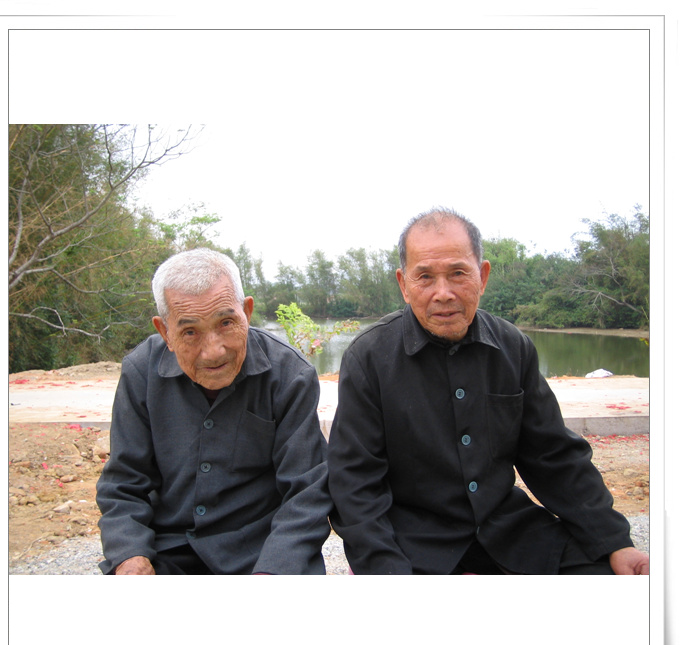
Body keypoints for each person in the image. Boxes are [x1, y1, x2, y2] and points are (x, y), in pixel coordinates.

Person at [327, 207, 650, 575]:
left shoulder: (513, 347)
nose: (443, 293)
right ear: (404, 284)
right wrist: (386, 571)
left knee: (609, 577)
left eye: (458, 273)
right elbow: (355, 483)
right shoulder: (369, 357)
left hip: (508, 532)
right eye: (425, 277)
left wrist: (615, 541)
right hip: (414, 543)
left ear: (482, 276)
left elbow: (554, 456)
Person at [96, 248, 331, 574]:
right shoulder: (141, 373)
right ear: (165, 332)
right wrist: (130, 555)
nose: (213, 351)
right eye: (190, 331)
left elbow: (307, 492)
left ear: (247, 312)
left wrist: (272, 571)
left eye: (226, 322)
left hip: (261, 550)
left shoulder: (290, 374)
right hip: (170, 549)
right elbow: (124, 483)